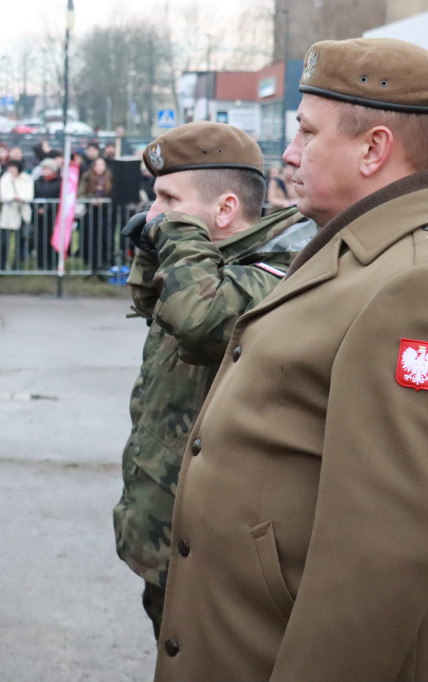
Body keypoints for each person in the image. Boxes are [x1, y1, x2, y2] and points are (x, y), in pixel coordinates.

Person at [155, 38, 428, 680]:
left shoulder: (419, 285)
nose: (291, 154)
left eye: (306, 132)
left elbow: (381, 555)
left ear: (374, 149)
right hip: (251, 634)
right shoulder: (362, 247)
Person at [111, 121, 314, 642]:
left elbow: (201, 323)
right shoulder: (205, 265)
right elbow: (156, 307)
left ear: (224, 210)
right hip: (169, 532)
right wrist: (160, 245)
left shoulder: (274, 272)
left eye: (168, 199)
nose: (154, 214)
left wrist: (175, 237)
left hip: (216, 554)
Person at [78, 156, 115, 272]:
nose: (99, 168)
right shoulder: (87, 177)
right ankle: (91, 261)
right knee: (90, 237)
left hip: (105, 212)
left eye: (101, 165)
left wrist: (104, 201)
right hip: (90, 212)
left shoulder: (111, 178)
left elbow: (114, 193)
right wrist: (91, 200)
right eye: (97, 165)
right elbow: (81, 193)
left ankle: (104, 260)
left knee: (105, 237)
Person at [0, 159, 33, 270]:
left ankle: (17, 265)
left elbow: (29, 195)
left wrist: (19, 197)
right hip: (8, 214)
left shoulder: (26, 178)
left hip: (22, 214)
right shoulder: (5, 178)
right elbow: (3, 195)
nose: (11, 170)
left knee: (20, 241)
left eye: (13, 167)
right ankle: (2, 265)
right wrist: (13, 197)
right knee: (4, 242)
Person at [32, 157, 62, 270]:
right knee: (40, 240)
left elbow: (59, 199)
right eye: (43, 169)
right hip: (39, 217)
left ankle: (53, 263)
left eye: (47, 169)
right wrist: (37, 209)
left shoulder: (59, 183)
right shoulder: (37, 182)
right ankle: (41, 263)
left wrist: (48, 208)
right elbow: (34, 197)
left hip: (53, 217)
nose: (45, 171)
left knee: (53, 240)